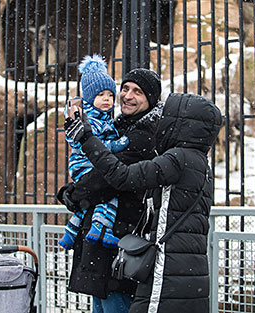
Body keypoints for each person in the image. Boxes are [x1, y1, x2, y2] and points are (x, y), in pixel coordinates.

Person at [64, 92, 222, 313]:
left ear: (181, 122)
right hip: (188, 269)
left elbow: (122, 176)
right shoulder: (200, 163)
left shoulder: (177, 160)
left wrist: (86, 138)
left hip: (166, 268)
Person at [57, 68, 163, 313]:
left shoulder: (144, 135)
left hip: (123, 239)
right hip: (105, 240)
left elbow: (111, 177)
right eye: (125, 88)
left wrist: (74, 193)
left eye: (137, 92)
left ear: (150, 99)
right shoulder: (116, 126)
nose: (127, 95)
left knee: (116, 302)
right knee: (102, 303)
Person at [59, 54, 129, 250]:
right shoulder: (91, 119)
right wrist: (117, 144)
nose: (106, 99)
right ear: (90, 97)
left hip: (85, 165)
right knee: (107, 196)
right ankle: (101, 230)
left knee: (89, 201)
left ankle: (70, 233)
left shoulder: (103, 117)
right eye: (101, 95)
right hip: (84, 165)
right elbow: (94, 144)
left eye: (110, 95)